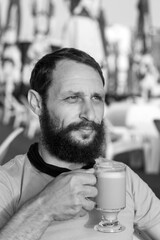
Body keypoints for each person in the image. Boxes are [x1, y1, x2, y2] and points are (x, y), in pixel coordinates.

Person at [0, 47, 160, 240]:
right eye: (72, 98)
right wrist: (44, 209)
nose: (90, 113)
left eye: (96, 98)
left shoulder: (121, 177)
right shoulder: (9, 184)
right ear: (37, 103)